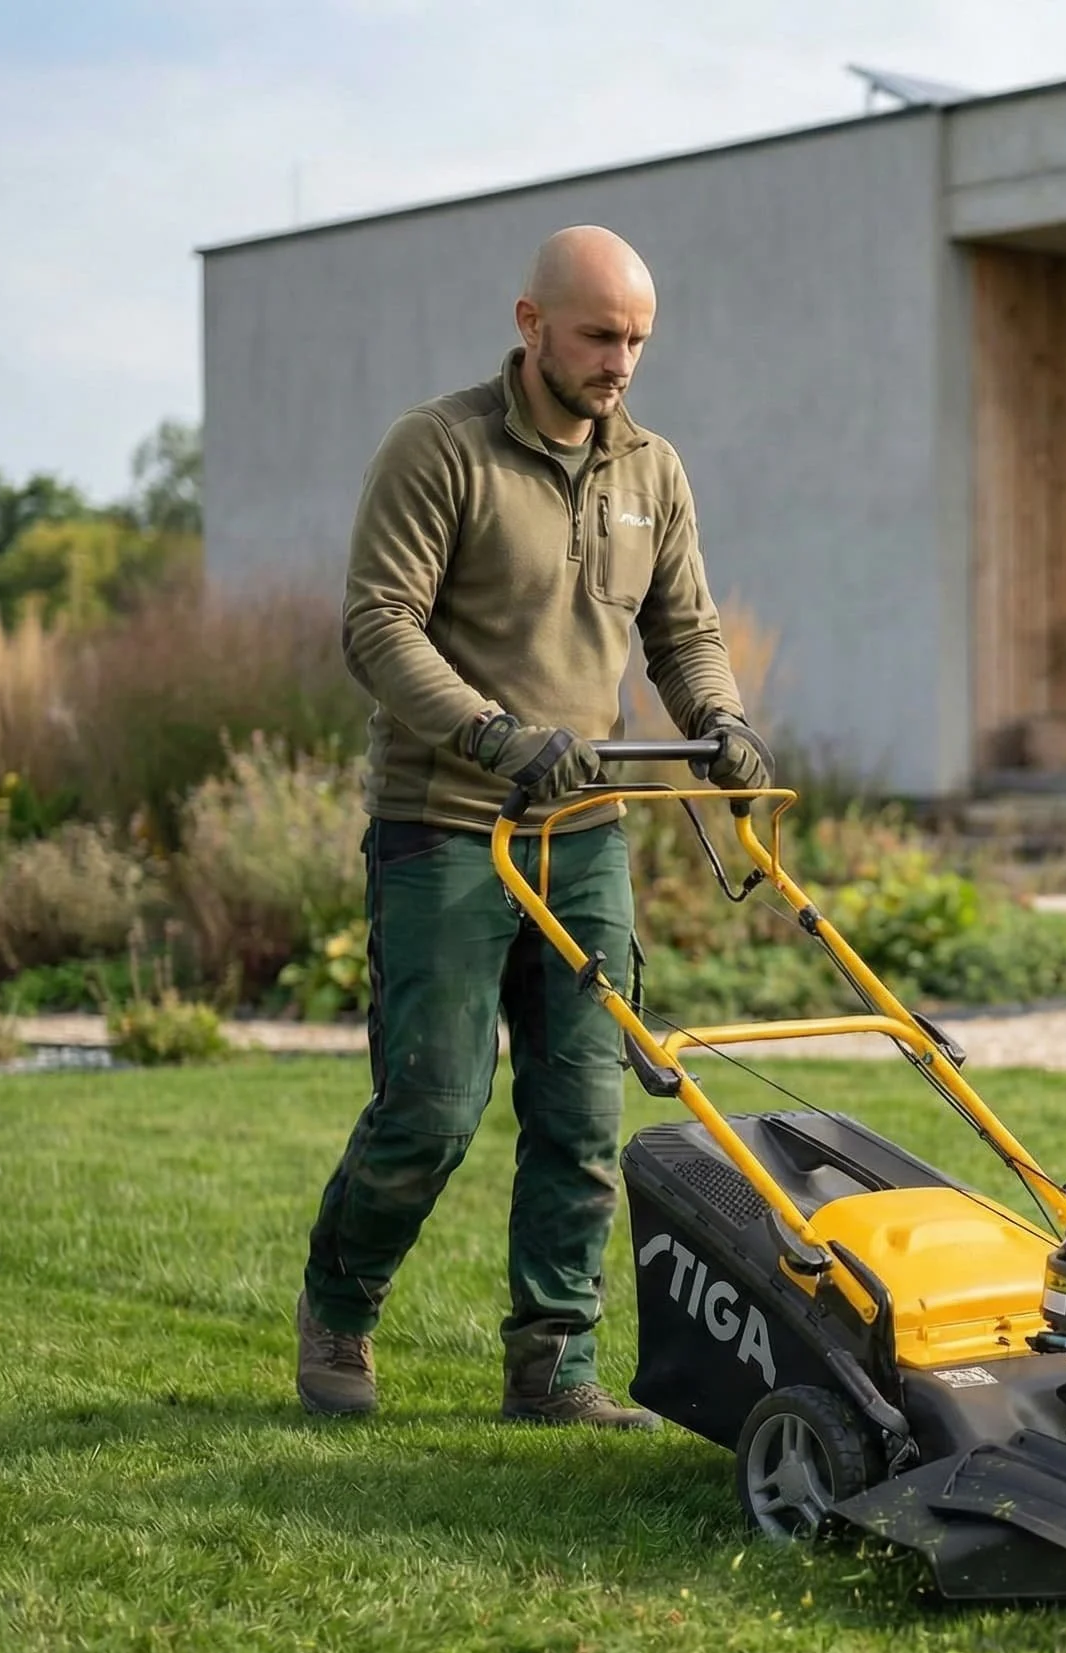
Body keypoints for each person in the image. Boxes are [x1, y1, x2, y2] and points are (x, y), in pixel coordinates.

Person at [295, 224, 771, 1425]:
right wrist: (495, 733)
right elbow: (379, 627)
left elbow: (684, 633)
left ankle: (552, 1365)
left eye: (638, 341)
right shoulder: (439, 449)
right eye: (601, 335)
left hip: (587, 831)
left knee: (582, 1109)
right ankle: (339, 1316)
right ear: (530, 324)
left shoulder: (651, 471)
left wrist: (718, 716)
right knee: (435, 1104)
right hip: (447, 822)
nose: (621, 362)